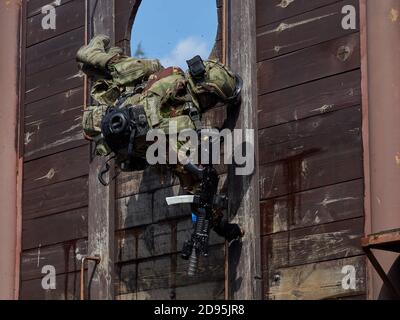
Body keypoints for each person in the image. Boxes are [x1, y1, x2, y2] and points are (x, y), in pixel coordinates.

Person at [76, 35, 243, 243]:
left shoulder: (170, 74)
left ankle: (93, 57)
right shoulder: (184, 128)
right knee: (166, 156)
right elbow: (196, 186)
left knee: (151, 68)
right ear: (208, 96)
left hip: (108, 117)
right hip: (120, 143)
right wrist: (222, 226)